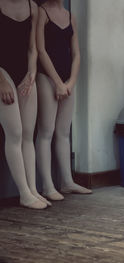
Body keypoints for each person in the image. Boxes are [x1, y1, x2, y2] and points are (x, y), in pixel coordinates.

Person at [36, 0, 91, 201]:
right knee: (46, 131)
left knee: (64, 132)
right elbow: (40, 51)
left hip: (67, 79)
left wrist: (71, 82)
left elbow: (76, 53)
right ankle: (47, 185)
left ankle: (67, 182)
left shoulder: (70, 16)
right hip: (47, 77)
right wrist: (57, 83)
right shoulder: (41, 13)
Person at [0, 0, 49, 209]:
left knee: (29, 133)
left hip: (24, 72)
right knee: (16, 133)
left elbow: (32, 48)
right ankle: (24, 193)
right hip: (2, 73)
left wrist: (31, 73)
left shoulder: (33, 8)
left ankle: (33, 190)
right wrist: (1, 81)